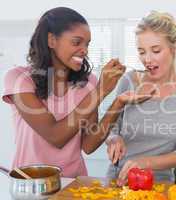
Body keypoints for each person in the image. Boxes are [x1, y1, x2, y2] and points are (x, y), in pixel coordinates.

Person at [2, 7, 154, 178]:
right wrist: (101, 91)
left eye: (87, 44)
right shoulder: (19, 78)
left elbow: (89, 145)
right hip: (30, 185)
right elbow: (55, 136)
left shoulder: (88, 82)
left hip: (74, 183)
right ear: (52, 40)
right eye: (76, 42)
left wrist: (118, 103)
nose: (85, 50)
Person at [105, 10, 176, 185]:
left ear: (175, 48)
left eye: (155, 50)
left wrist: (145, 163)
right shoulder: (128, 80)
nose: (147, 59)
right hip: (118, 181)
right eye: (142, 52)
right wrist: (114, 139)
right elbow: (111, 127)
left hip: (160, 186)